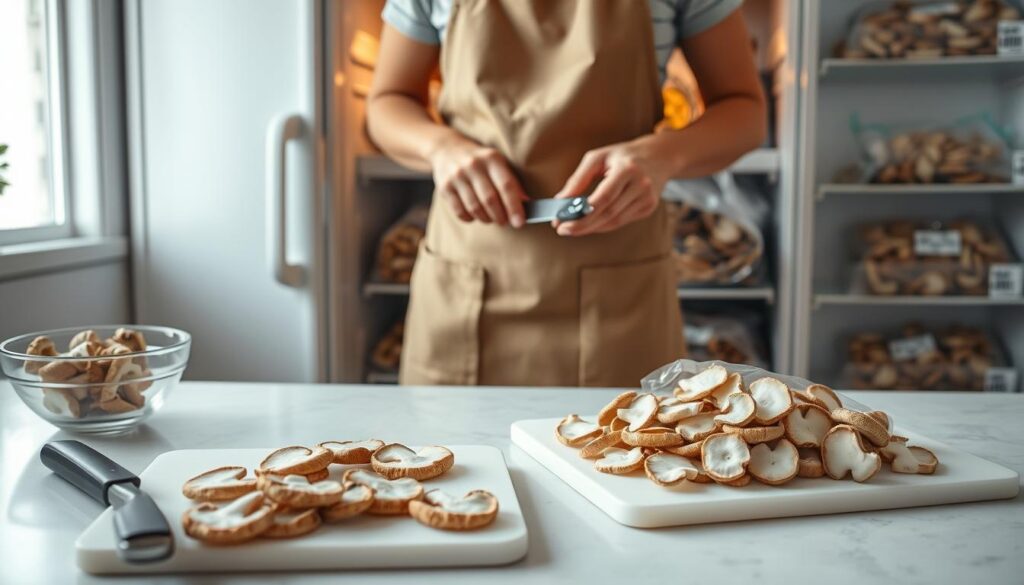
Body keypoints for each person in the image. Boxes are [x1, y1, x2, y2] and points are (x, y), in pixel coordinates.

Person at [367, 0, 766, 387]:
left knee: (622, 453)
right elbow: (388, 102)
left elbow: (744, 110)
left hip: (621, 288)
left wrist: (662, 156)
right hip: (468, 274)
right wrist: (441, 148)